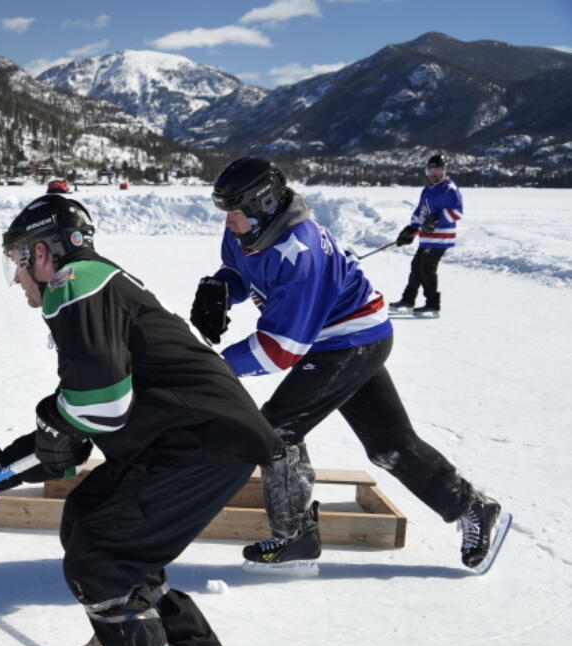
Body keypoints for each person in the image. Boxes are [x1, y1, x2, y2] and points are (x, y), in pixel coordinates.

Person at [0, 194, 282, 646]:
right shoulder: (98, 284)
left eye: (18, 262)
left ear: (42, 253)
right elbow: (78, 428)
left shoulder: (75, 284)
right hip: (190, 440)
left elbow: (97, 407)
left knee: (104, 561)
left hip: (199, 445)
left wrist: (40, 436)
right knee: (92, 517)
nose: (18, 279)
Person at [189, 156, 507, 574]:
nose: (227, 221)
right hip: (342, 339)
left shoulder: (299, 253)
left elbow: (280, 349)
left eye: (233, 211)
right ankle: (472, 506)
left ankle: (296, 536)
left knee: (277, 430)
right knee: (389, 445)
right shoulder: (247, 231)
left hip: (349, 342)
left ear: (262, 205)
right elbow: (241, 270)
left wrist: (215, 368)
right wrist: (221, 287)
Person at [389, 153, 463, 317]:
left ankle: (433, 305)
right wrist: (411, 229)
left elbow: (457, 212)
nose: (434, 174)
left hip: (441, 238)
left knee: (426, 268)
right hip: (427, 238)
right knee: (416, 267)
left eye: (437, 169)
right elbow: (421, 212)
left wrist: (437, 219)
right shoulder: (428, 190)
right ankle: (408, 301)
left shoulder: (449, 188)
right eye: (430, 170)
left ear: (444, 170)